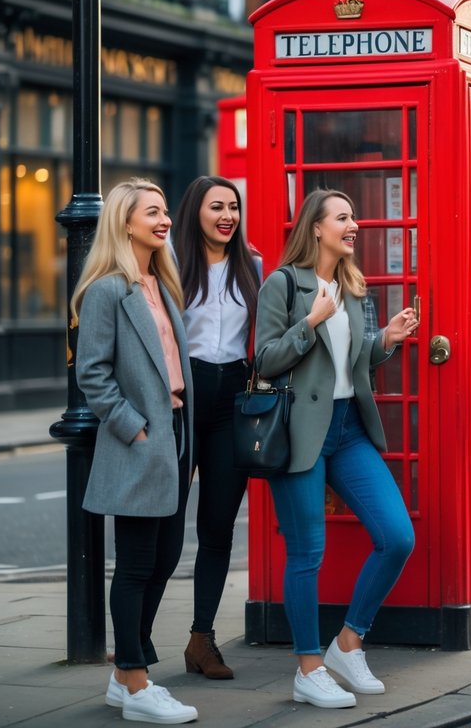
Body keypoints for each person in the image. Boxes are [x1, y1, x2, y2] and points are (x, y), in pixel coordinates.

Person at [253, 188, 418, 709]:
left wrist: (384, 341)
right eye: (343, 217)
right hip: (301, 432)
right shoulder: (283, 284)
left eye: (354, 217)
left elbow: (354, 363)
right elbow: (265, 359)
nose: (354, 225)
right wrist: (310, 323)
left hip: (349, 431)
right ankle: (308, 667)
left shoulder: (352, 287)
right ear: (316, 228)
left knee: (397, 536)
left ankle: (348, 643)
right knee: (307, 554)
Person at [72, 179, 198, 724]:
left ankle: (126, 674)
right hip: (141, 439)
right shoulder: (107, 290)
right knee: (137, 565)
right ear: (126, 222)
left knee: (166, 560)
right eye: (153, 212)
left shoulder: (162, 285)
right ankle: (137, 679)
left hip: (175, 434)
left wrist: (175, 432)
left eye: (165, 211)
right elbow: (91, 373)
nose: (164, 219)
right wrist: (134, 428)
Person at [171, 176, 261, 680]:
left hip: (233, 401)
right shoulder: (170, 263)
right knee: (165, 523)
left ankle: (201, 641)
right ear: (195, 212)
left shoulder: (253, 267)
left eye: (233, 207)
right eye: (216, 207)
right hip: (182, 397)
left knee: (218, 528)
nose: (227, 215)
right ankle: (136, 641)